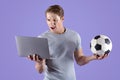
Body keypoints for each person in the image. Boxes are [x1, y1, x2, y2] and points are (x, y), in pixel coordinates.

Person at [28, 5, 108, 80]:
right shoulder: (42, 39)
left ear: (62, 19)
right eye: (48, 20)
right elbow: (40, 70)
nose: (51, 23)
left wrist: (93, 57)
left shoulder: (74, 36)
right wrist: (39, 62)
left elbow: (80, 60)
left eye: (55, 20)